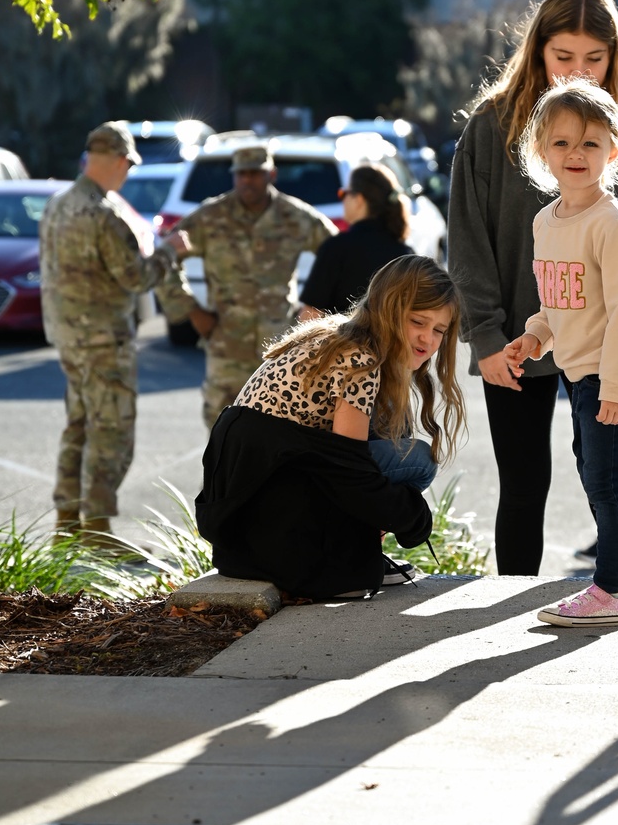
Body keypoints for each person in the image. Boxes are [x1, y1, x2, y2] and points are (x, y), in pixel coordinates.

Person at [447, 0, 618, 575]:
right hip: (519, 340)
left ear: (613, 57)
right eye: (563, 56)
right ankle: (511, 611)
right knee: (523, 486)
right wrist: (487, 336)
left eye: (595, 58)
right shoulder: (492, 127)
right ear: (538, 49)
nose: (578, 72)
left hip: (603, 341)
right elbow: (467, 242)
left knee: (612, 473)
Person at [195, 256, 466, 600]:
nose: (428, 338)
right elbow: (348, 470)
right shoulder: (361, 358)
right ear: (389, 310)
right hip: (272, 485)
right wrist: (413, 518)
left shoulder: (335, 333)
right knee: (419, 459)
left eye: (439, 330)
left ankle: (357, 552)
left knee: (389, 442)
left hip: (246, 487)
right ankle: (355, 556)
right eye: (418, 322)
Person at [502, 80, 618, 627]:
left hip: (617, 370)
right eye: (563, 143)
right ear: (540, 150)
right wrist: (534, 337)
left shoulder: (613, 226)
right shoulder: (547, 222)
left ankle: (610, 591)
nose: (576, 154)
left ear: (613, 151)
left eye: (591, 144)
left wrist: (617, 388)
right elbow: (557, 303)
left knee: (605, 480)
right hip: (581, 370)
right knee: (601, 470)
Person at [40, 120, 194, 547]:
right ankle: (98, 533)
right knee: (111, 433)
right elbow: (136, 277)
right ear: (113, 159)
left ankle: (67, 525)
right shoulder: (104, 213)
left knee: (79, 425)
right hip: (105, 338)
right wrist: (171, 250)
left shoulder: (57, 203)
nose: (129, 171)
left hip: (68, 334)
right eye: (128, 163)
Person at [172, 143, 338, 428]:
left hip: (279, 345)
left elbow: (338, 257)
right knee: (220, 426)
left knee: (278, 427)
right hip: (226, 343)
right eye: (241, 174)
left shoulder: (296, 217)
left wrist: (317, 310)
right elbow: (166, 258)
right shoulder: (210, 217)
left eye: (255, 173)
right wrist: (189, 309)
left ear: (271, 174)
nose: (247, 180)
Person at [299, 162, 415, 318]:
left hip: (342, 342)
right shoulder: (406, 255)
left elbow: (310, 315)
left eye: (344, 193)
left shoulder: (336, 248)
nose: (342, 200)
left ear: (359, 199)